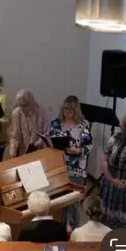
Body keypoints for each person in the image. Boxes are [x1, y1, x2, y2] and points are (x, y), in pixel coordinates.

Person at [46, 95, 92, 231]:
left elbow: (89, 146)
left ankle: (76, 229)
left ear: (77, 110)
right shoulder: (55, 123)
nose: (68, 111)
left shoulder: (83, 125)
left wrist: (78, 150)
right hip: (58, 166)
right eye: (65, 108)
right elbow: (49, 139)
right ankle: (59, 229)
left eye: (71, 109)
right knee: (59, 200)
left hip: (76, 168)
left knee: (73, 200)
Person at [8, 89, 49, 158]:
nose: (21, 108)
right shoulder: (16, 113)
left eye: (24, 105)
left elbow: (47, 132)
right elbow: (15, 135)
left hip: (39, 150)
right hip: (23, 152)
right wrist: (13, 151)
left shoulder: (42, 111)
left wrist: (38, 143)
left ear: (32, 102)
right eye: (19, 105)